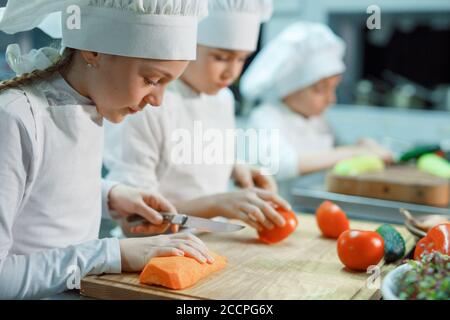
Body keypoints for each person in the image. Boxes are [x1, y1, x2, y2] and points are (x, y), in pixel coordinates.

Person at [0, 0, 213, 299]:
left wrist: (110, 196)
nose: (158, 101)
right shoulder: (14, 119)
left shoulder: (92, 105)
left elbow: (39, 193)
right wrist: (112, 254)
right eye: (152, 80)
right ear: (94, 51)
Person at [104, 0, 291, 234]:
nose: (232, 72)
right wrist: (216, 204)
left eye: (242, 59)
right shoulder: (145, 103)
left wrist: (233, 166)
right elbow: (134, 218)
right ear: (185, 47)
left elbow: (191, 152)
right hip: (153, 249)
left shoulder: (222, 99)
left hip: (211, 238)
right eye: (221, 57)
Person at [239, 22, 393, 180]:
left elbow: (337, 148)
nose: (331, 99)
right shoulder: (265, 117)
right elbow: (281, 165)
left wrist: (362, 145)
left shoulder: (317, 120)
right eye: (320, 90)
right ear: (290, 90)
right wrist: (353, 152)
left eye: (333, 88)